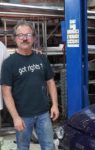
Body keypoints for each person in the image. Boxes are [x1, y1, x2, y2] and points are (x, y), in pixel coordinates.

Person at [1, 20, 59, 150]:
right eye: (20, 35)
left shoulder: (41, 58)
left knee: (49, 145)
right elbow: (6, 92)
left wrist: (54, 105)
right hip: (22, 115)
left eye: (28, 34)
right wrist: (15, 117)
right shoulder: (9, 63)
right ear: (15, 38)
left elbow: (50, 82)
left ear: (33, 37)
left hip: (44, 114)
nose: (24, 38)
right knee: (23, 147)